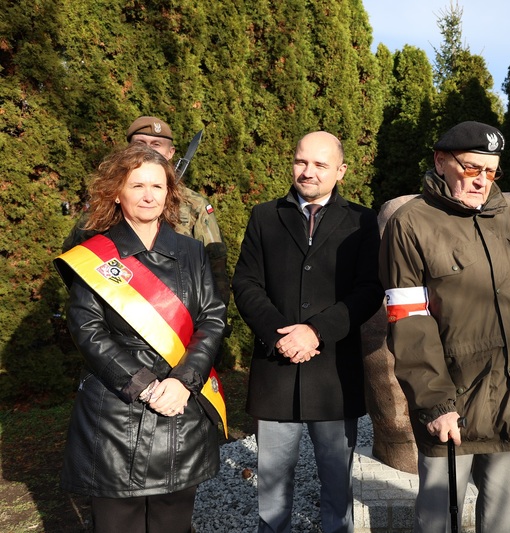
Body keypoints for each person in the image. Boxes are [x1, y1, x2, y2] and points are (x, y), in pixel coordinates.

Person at [378, 120, 510, 533]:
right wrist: (436, 404)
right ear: (440, 161)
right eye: (472, 168)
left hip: (508, 397)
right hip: (450, 402)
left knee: (505, 523)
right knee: (438, 519)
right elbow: (409, 319)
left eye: (491, 171)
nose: (482, 181)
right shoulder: (411, 223)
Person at [54, 144, 227, 532]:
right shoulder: (94, 255)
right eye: (137, 186)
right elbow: (87, 329)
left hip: (182, 409)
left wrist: (184, 381)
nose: (149, 195)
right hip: (116, 413)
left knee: (173, 524)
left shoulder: (192, 251)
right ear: (117, 191)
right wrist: (147, 388)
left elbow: (212, 318)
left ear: (169, 193)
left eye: (157, 186)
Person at [231, 131, 384, 533]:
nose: (308, 172)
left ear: (341, 171)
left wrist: (315, 332)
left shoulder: (362, 221)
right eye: (302, 162)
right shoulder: (265, 216)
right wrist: (281, 334)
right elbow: (246, 284)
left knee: (337, 488)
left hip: (333, 375)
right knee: (273, 490)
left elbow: (369, 290)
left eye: (320, 164)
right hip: (275, 370)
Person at [62, 116, 230, 310]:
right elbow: (75, 255)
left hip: (179, 318)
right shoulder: (109, 198)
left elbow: (215, 268)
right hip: (122, 313)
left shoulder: (194, 204)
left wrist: (213, 323)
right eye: (140, 143)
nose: (148, 149)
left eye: (156, 144)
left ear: (170, 153)